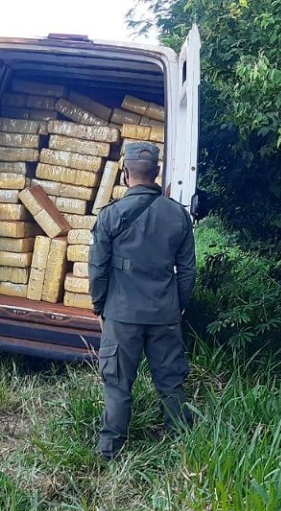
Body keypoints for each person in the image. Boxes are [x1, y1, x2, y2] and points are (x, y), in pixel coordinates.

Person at [88, 141, 197, 461]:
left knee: (117, 383)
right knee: (171, 381)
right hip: (165, 313)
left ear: (125, 173)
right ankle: (182, 447)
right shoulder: (178, 215)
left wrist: (100, 306)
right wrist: (177, 306)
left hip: (121, 315)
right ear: (157, 172)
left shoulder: (110, 216)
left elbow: (98, 269)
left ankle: (110, 450)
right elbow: (188, 271)